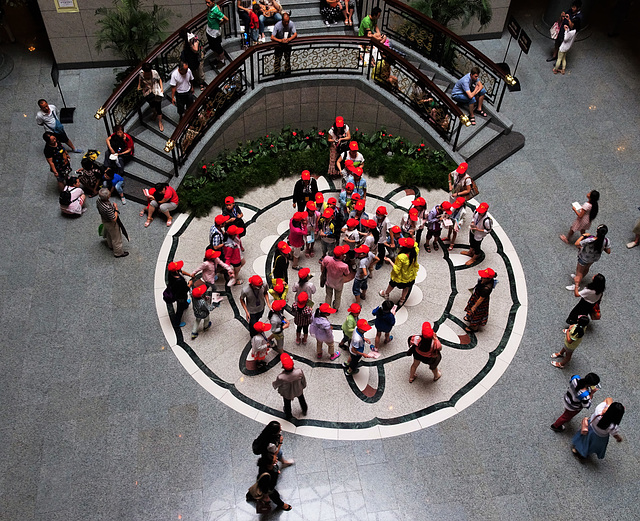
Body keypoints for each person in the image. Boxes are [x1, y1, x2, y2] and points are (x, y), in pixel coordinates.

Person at [567, 224, 611, 296]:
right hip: (593, 258)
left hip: (584, 257)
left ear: (597, 231)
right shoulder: (606, 241)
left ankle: (576, 284)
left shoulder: (590, 239)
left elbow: (577, 243)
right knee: (586, 268)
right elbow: (608, 251)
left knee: (579, 271)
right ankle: (579, 278)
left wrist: (583, 236)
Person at [379, 237, 420, 308]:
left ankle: (386, 294)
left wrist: (389, 260)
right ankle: (402, 300)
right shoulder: (415, 250)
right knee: (406, 288)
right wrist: (412, 237)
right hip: (410, 276)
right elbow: (415, 244)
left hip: (400, 277)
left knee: (391, 285)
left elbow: (396, 269)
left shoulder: (402, 257)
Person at [272, 353, 307, 420]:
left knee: (287, 403)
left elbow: (276, 384)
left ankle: (288, 415)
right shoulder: (299, 371)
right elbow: (303, 380)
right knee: (301, 399)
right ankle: (304, 410)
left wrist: (274, 384)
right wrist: (303, 385)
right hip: (298, 389)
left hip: (287, 393)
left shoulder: (281, 377)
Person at [96, 188, 128, 258]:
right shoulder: (107, 208)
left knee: (109, 234)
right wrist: (116, 209)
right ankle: (118, 253)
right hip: (111, 223)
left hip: (104, 220)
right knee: (116, 238)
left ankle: (110, 245)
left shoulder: (98, 201)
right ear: (108, 197)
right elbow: (114, 218)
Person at [464, 267, 497, 332]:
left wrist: (474, 306)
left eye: (483, 277)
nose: (481, 278)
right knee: (472, 309)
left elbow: (481, 299)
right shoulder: (485, 282)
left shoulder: (486, 288)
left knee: (476, 313)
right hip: (477, 297)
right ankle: (469, 316)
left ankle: (474, 327)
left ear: (488, 279)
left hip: (479, 302)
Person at [321, 245, 351, 311]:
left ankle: (327, 307)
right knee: (338, 296)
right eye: (343, 254)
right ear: (341, 256)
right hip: (338, 283)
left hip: (329, 281)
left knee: (328, 295)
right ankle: (336, 307)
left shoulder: (327, 259)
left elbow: (322, 266)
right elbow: (347, 274)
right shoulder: (344, 266)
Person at [137, 63, 164, 131]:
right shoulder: (140, 73)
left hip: (155, 90)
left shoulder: (154, 73)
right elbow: (140, 79)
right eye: (146, 73)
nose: (147, 75)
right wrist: (139, 86)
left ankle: (160, 122)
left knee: (158, 106)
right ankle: (154, 113)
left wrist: (161, 88)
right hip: (147, 91)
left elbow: (159, 79)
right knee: (151, 104)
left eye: (149, 73)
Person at [167, 260, 192, 327]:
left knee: (183, 301)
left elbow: (182, 272)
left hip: (177, 294)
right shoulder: (180, 282)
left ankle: (185, 304)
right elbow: (185, 289)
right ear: (176, 271)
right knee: (179, 310)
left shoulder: (171, 274)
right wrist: (189, 284)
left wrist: (189, 275)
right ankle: (177, 323)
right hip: (180, 296)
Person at [205, 0, 228, 68]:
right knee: (212, 47)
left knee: (218, 48)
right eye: (206, 2)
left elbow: (226, 19)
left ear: (213, 2)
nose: (207, 4)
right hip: (209, 31)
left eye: (208, 3)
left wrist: (220, 24)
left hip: (214, 33)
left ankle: (222, 61)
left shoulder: (216, 11)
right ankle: (218, 59)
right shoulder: (211, 8)